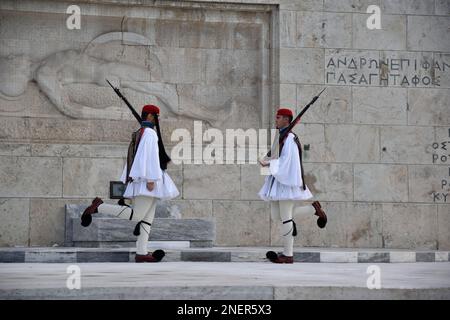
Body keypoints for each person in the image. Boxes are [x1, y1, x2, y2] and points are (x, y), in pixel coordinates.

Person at [81, 104, 179, 262]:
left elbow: (140, 158)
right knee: (137, 216)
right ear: (149, 116)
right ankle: (98, 206)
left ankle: (141, 253)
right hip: (148, 181)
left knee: (147, 219)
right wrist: (151, 179)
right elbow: (148, 157)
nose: (156, 120)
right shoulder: (149, 134)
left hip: (148, 179)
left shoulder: (142, 132)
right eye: (155, 116)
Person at [259, 108, 327, 264]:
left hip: (286, 183)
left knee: (286, 218)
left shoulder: (289, 138)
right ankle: (313, 209)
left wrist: (268, 163)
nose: (275, 120)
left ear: (286, 120)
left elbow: (287, 162)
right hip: (278, 181)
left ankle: (288, 255)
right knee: (277, 215)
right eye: (276, 117)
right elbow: (278, 156)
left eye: (278, 117)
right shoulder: (282, 136)